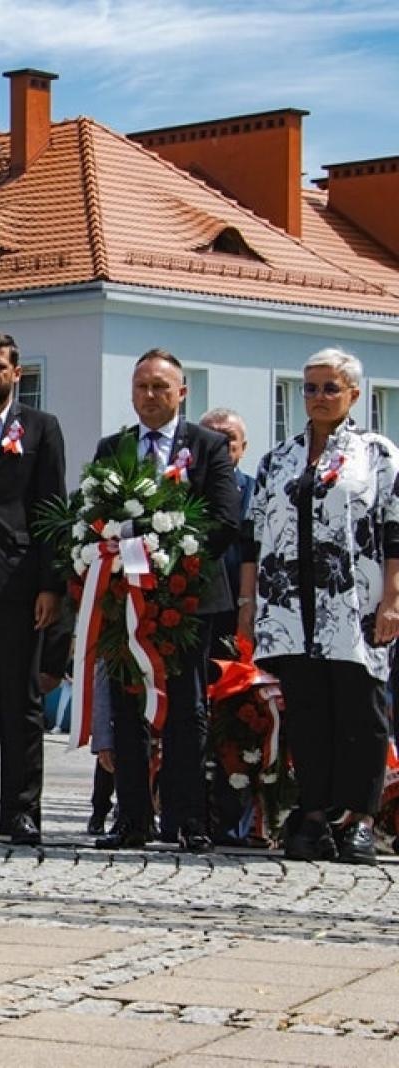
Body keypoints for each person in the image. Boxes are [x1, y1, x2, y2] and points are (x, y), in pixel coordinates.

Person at [239, 348, 399, 865]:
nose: (318, 397)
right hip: (289, 609)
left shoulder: (377, 453)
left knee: (362, 712)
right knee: (307, 713)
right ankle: (312, 814)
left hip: (355, 606)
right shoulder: (278, 457)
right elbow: (253, 535)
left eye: (330, 388)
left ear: (354, 393)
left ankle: (358, 817)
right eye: (309, 388)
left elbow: (396, 533)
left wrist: (394, 600)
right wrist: (248, 602)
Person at [92, 350, 238, 852]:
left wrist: (172, 560)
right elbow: (95, 517)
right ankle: (131, 818)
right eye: (141, 387)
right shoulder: (113, 448)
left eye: (159, 387)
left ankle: (188, 818)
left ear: (181, 392)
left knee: (185, 710)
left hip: (186, 601)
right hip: (126, 604)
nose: (149, 396)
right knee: (129, 710)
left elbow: (224, 519)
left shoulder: (209, 446)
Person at [0, 332, 65, 846]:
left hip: (18, 580)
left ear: (17, 372)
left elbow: (53, 510)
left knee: (20, 700)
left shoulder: (40, 428)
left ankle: (22, 810)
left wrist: (51, 585)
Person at [198, 407, 256, 843]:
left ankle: (241, 819)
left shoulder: (257, 492)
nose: (222, 445)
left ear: (243, 446)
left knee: (243, 721)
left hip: (240, 622)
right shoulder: (185, 488)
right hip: (191, 617)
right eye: (212, 437)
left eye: (230, 438)